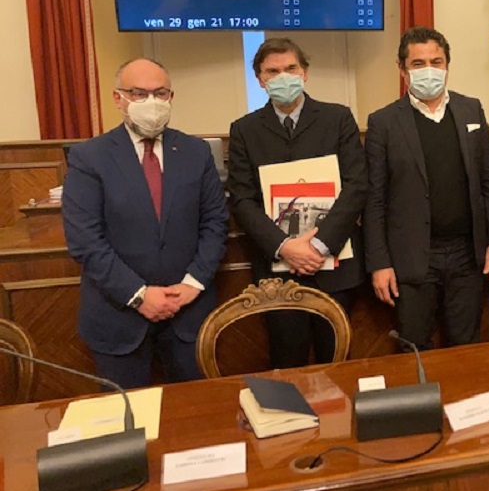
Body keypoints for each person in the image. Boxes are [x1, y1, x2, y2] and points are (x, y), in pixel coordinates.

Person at [62, 58, 228, 388]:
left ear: (171, 97)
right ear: (118, 98)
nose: (152, 102)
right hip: (118, 317)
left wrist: (192, 285)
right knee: (128, 416)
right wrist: (139, 295)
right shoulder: (89, 156)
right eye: (139, 93)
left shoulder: (196, 152)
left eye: (160, 93)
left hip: (189, 314)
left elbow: (215, 222)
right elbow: (86, 241)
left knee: (196, 411)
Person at [364, 26, 489, 351]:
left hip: (467, 255)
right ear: (402, 70)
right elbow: (374, 200)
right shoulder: (383, 122)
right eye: (418, 64)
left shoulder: (471, 110)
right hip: (412, 257)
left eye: (436, 62)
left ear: (447, 66)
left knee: (466, 347)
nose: (428, 70)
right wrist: (379, 263)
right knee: (414, 348)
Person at [227, 37, 366, 368]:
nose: (283, 77)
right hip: (278, 273)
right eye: (272, 71)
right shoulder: (245, 130)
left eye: (291, 68)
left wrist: (318, 245)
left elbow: (357, 185)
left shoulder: (338, 118)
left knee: (337, 362)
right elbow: (243, 200)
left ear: (304, 73)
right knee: (287, 362)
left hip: (335, 265)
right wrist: (285, 246)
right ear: (260, 80)